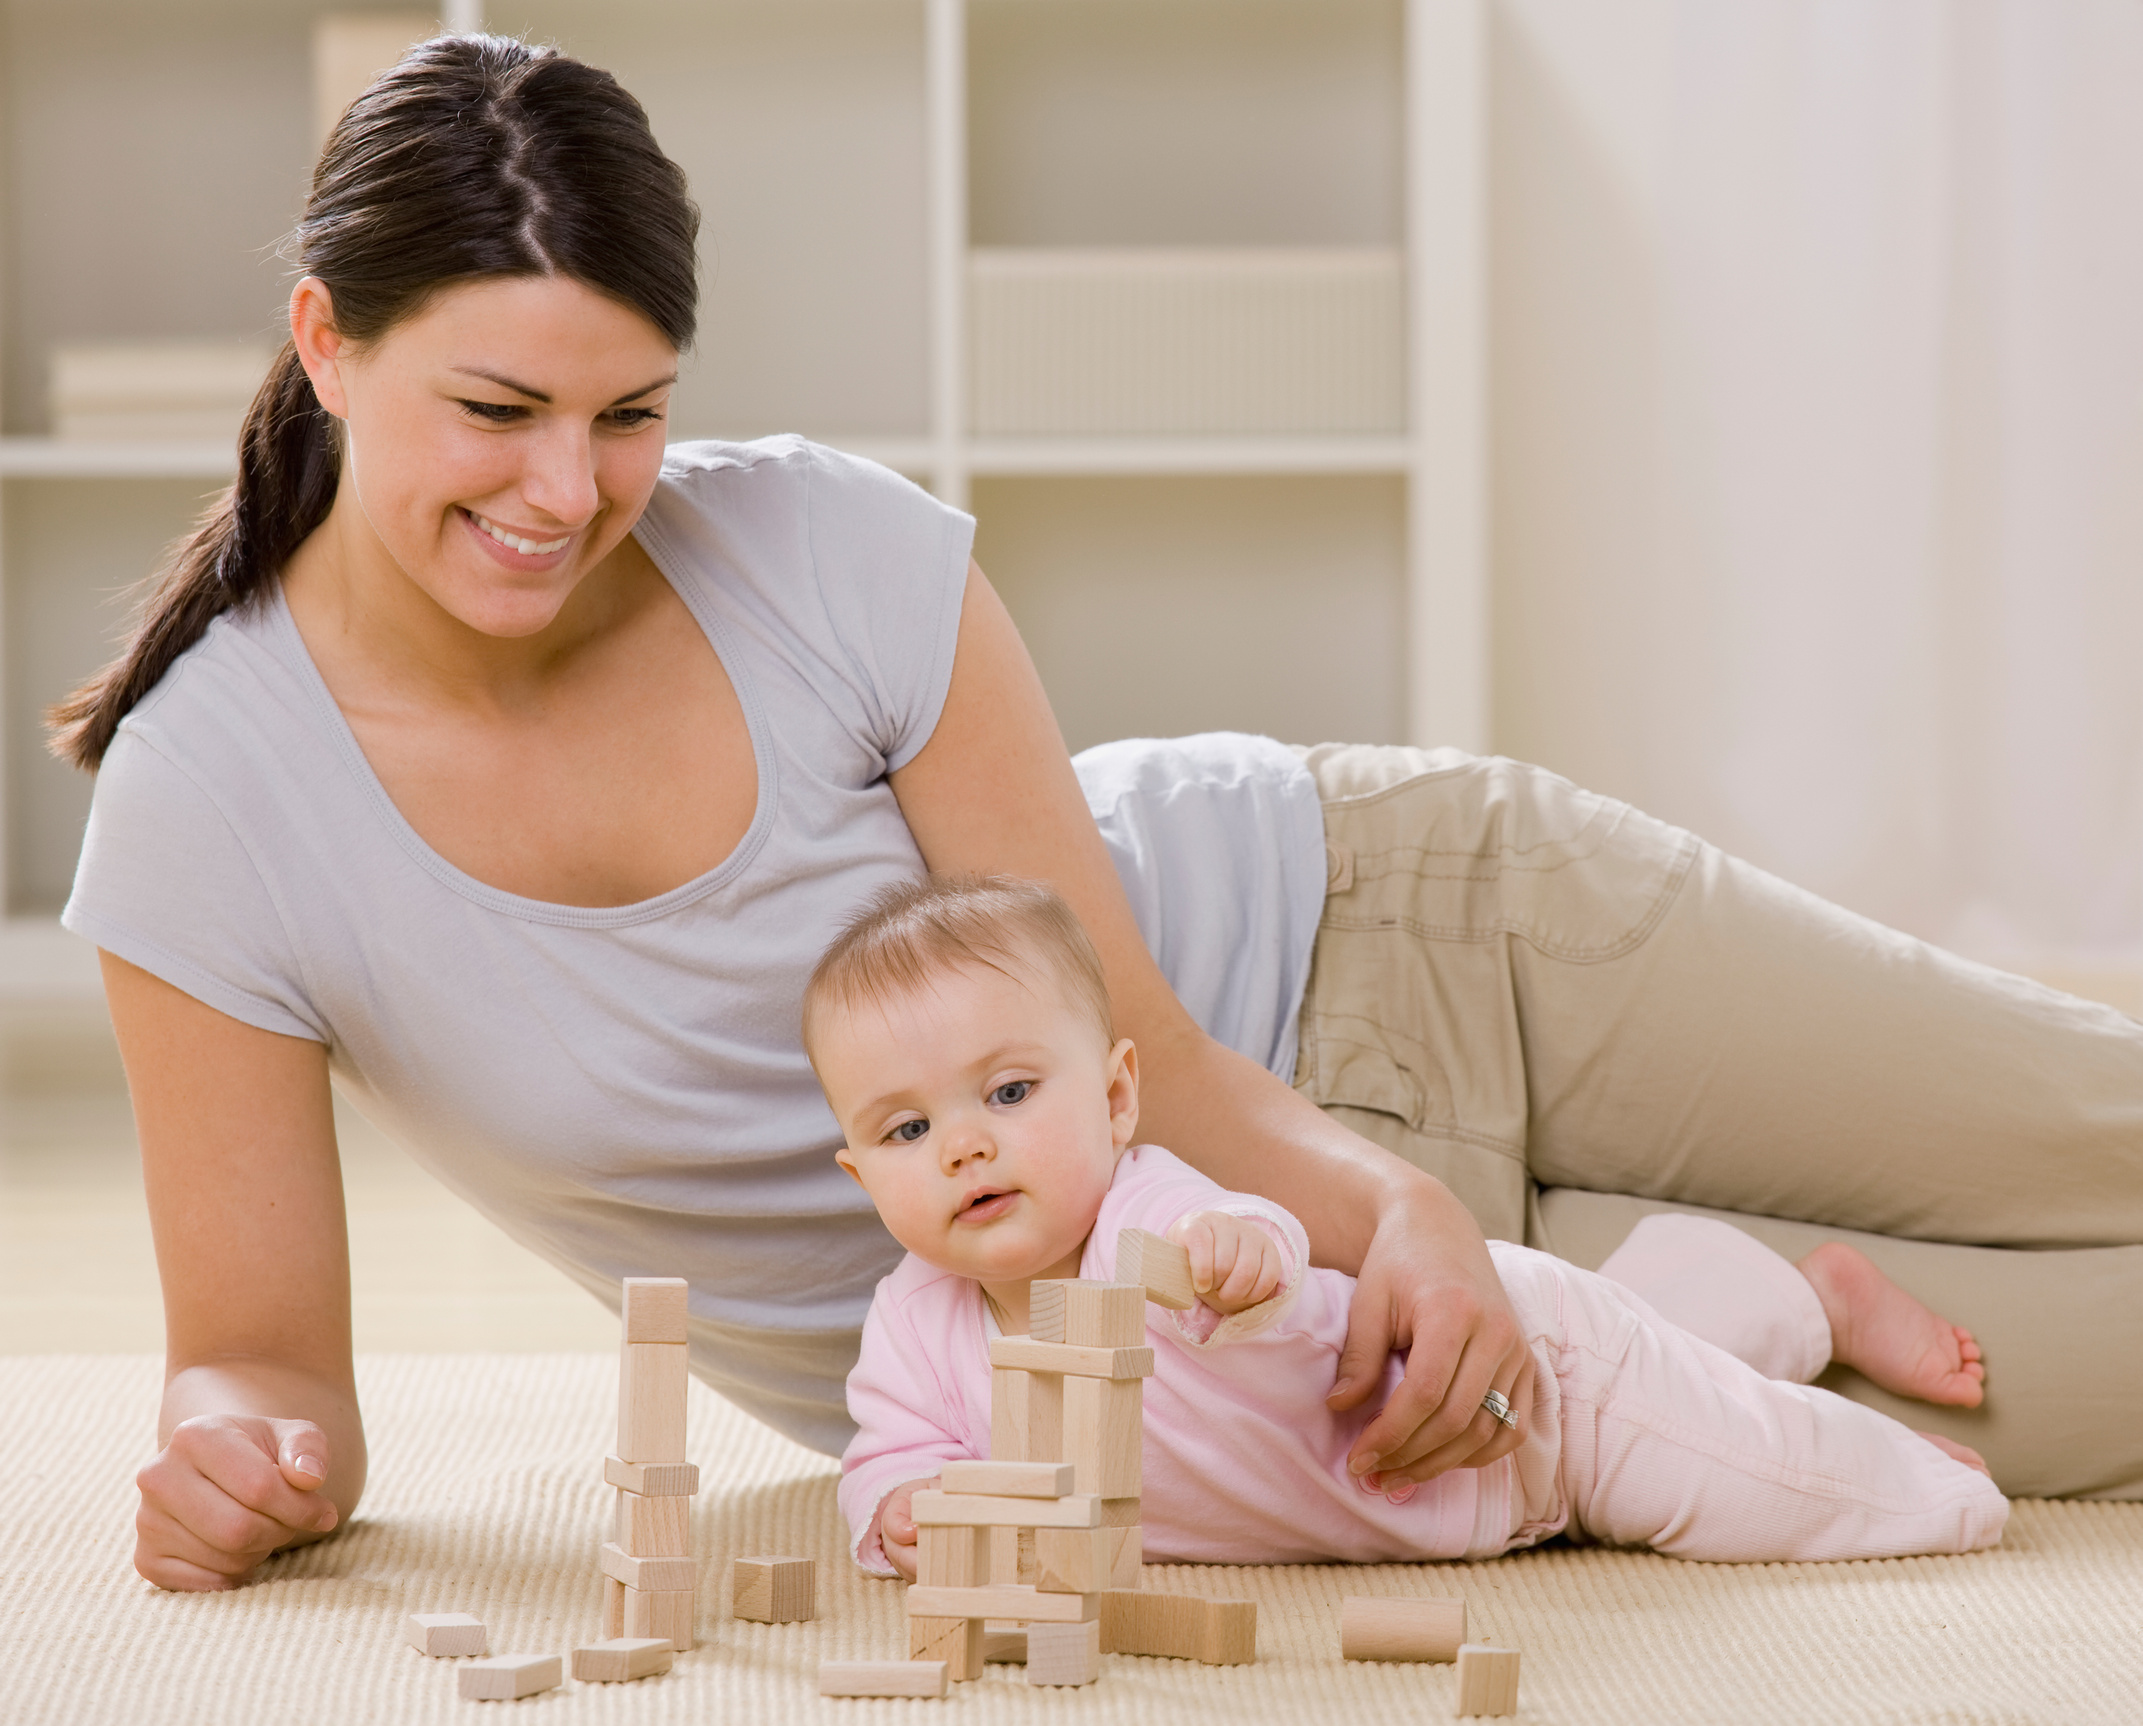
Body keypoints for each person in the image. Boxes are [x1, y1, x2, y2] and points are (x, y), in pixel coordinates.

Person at [47, 34, 2142, 1596]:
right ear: (323, 341)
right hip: (1217, 1365)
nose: (565, 493)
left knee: (2091, 1122)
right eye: (494, 410)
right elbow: (254, 1365)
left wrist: (1403, 1200)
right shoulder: (212, 808)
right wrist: (239, 1458)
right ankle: (1770, 1275)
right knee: (2072, 1389)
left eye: (630, 415)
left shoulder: (827, 550)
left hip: (1392, 943)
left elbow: (1133, 1009)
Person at [811, 875, 2007, 1574]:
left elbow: (1260, 1250)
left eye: (1010, 1093)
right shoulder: (912, 1326)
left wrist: (1242, 1263)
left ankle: (1911, 1482)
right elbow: (890, 1459)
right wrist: (899, 1514)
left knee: (1761, 1479)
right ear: (863, 1176)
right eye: (907, 1131)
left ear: (1118, 1097)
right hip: (1463, 1490)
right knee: (1676, 1354)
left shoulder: (1154, 1219)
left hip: (1531, 1402)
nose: (964, 1143)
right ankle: (1809, 1295)